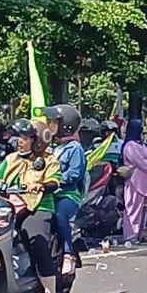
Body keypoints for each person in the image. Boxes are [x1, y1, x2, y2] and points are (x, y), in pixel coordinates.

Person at [0, 119, 62, 293]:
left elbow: (54, 181)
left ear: (37, 140)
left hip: (38, 207)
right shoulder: (11, 159)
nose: (19, 141)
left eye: (24, 138)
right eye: (19, 137)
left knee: (37, 241)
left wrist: (42, 186)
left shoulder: (48, 160)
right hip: (10, 206)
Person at [40, 104, 87, 276]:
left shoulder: (75, 148)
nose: (49, 125)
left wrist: (56, 181)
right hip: (47, 193)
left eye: (53, 122)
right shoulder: (49, 147)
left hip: (67, 195)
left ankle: (68, 254)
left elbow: (75, 173)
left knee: (60, 215)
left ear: (65, 126)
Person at [120, 119, 147, 245]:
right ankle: (130, 235)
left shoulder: (141, 144)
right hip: (134, 181)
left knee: (143, 209)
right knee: (133, 208)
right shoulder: (130, 146)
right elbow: (140, 162)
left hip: (145, 181)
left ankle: (140, 234)